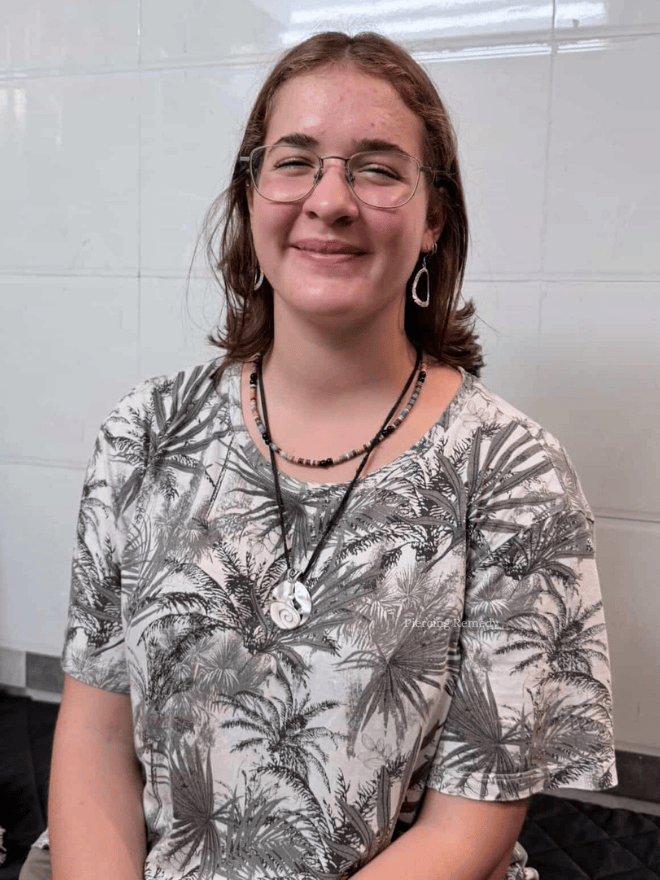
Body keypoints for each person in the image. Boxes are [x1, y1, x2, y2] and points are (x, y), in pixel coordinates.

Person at [22, 31, 617, 880]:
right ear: (251, 194)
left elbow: (470, 823)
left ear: (432, 219)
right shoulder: (143, 434)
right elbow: (95, 733)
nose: (329, 200)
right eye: (294, 161)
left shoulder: (516, 476)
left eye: (376, 168)